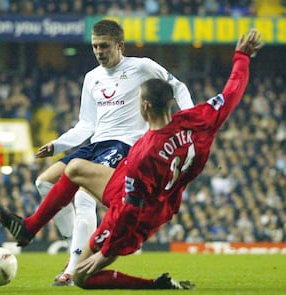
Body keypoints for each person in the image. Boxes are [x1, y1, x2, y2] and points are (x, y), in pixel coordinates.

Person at [0, 28, 263, 289]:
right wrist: (242, 58)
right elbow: (231, 93)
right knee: (74, 168)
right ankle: (29, 227)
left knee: (81, 277)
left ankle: (153, 285)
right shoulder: (198, 120)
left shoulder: (142, 154)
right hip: (160, 197)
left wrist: (106, 251)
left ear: (144, 106)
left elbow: (128, 211)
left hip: (139, 213)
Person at [10, 19, 193, 286]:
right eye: (95, 46)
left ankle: (70, 268)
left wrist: (185, 121)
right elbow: (87, 124)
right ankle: (75, 248)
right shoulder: (91, 78)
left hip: (125, 146)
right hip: (97, 143)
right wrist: (59, 144)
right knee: (44, 182)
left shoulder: (141, 67)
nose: (98, 52)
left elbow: (177, 87)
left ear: (120, 45)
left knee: (83, 196)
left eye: (104, 46)